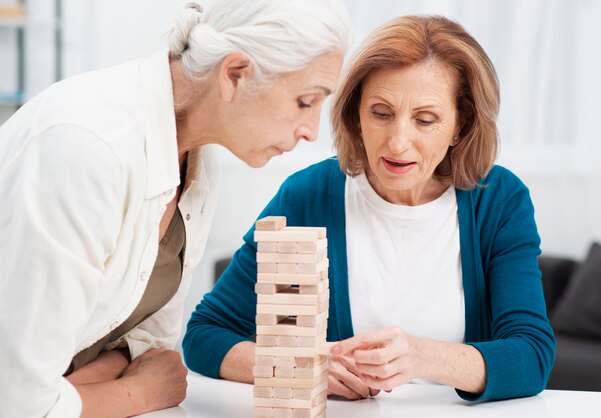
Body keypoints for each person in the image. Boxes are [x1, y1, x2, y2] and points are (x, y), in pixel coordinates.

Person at [0, 0, 351, 416]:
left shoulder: (198, 160)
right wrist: (135, 394)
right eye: (306, 101)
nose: (311, 132)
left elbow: (155, 356)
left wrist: (80, 390)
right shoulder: (89, 147)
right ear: (234, 75)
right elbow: (19, 402)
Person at [183, 15, 556, 402]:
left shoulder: (499, 199)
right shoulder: (308, 195)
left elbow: (532, 356)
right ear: (356, 115)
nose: (397, 142)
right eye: (381, 113)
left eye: (425, 120)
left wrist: (422, 356)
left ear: (460, 127)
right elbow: (204, 336)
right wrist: (303, 367)